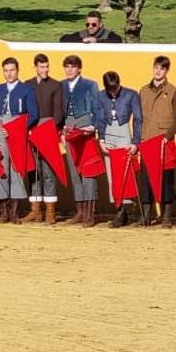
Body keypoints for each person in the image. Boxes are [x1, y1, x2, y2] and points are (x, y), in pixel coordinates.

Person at [138, 56, 176, 226]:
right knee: (146, 179)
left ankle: (166, 216)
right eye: (156, 68)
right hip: (147, 139)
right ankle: (147, 215)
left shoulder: (173, 90)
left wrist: (167, 136)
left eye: (162, 69)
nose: (158, 71)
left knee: (166, 179)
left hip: (164, 141)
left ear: (167, 71)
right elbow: (138, 118)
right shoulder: (143, 90)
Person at [0, 57, 38, 225]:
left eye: (12, 70)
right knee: (1, 166)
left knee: (17, 167)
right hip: (0, 126)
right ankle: (3, 210)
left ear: (17, 70)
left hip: (18, 129)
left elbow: (33, 114)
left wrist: (16, 128)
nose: (9, 73)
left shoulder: (26, 89)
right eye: (6, 70)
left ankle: (15, 211)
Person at [97, 71, 143, 228]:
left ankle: (123, 212)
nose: (113, 92)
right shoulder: (101, 95)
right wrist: (101, 139)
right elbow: (100, 118)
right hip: (108, 134)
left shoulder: (131, 94)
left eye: (115, 88)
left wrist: (136, 142)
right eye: (110, 89)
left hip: (124, 134)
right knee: (112, 176)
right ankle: (119, 208)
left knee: (124, 174)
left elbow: (138, 119)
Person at [23, 54, 64, 224]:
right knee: (33, 171)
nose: (45, 70)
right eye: (42, 67)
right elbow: (25, 110)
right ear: (35, 67)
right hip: (31, 130)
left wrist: (50, 131)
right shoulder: (27, 84)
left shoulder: (55, 85)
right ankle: (35, 210)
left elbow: (58, 113)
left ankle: (50, 211)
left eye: (47, 66)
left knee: (48, 172)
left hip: (47, 130)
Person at [62, 55, 101, 227]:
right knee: (74, 171)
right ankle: (80, 211)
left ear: (79, 69)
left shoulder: (90, 84)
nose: (69, 70)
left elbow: (97, 108)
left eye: (72, 67)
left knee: (88, 171)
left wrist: (93, 126)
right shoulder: (61, 85)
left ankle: (89, 214)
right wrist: (60, 131)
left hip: (85, 128)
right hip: (69, 128)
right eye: (67, 67)